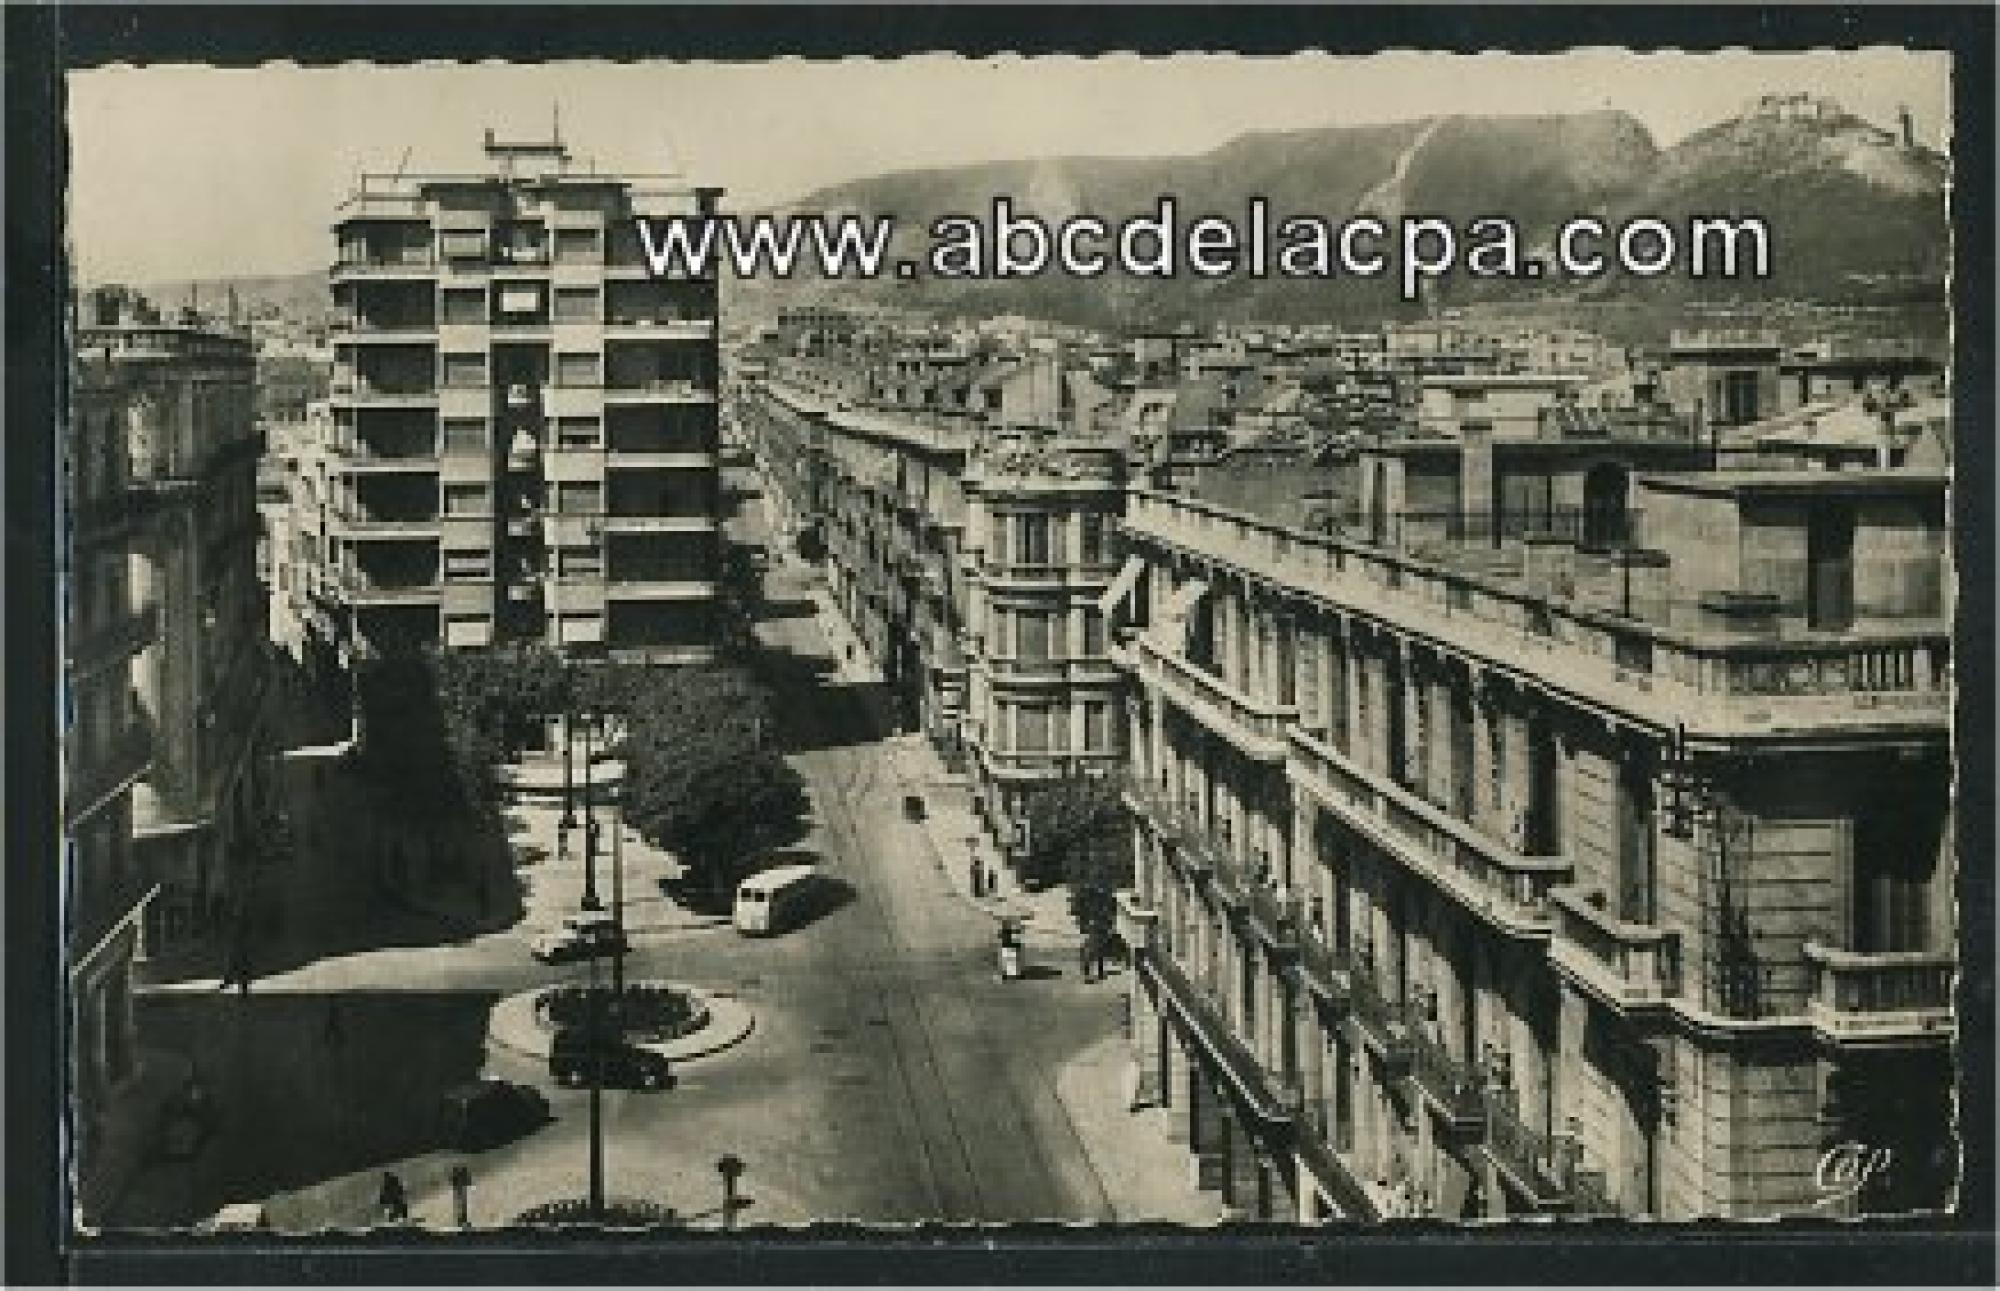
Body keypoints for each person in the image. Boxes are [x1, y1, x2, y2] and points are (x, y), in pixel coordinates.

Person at [448, 1163, 472, 1229]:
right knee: (462, 1207)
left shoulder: (457, 1177)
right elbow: (468, 1182)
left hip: (460, 1192)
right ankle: (462, 1221)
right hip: (461, 1192)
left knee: (461, 1207)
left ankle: (461, 1221)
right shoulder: (461, 1177)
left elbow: (452, 1182)